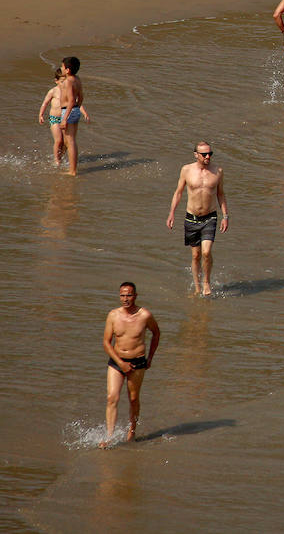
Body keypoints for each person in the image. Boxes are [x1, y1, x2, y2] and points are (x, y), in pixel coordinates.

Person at [165, 141, 229, 296]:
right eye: (204, 154)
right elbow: (178, 192)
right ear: (196, 155)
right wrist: (171, 213)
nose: (208, 157)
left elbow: (220, 194)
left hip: (210, 217)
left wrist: (225, 216)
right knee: (195, 255)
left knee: (206, 253)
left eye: (210, 154)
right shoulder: (186, 170)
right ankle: (197, 288)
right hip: (191, 218)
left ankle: (206, 282)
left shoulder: (217, 171)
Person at [102, 282, 160, 447]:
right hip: (117, 361)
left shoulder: (145, 315)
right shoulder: (113, 315)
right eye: (122, 295)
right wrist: (121, 363)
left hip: (137, 362)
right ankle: (110, 437)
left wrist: (150, 358)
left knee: (133, 399)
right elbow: (106, 343)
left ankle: (132, 432)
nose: (125, 299)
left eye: (129, 295)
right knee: (112, 397)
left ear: (135, 296)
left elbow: (156, 333)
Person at [38, 66, 88, 168]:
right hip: (54, 119)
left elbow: (75, 103)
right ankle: (56, 160)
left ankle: (60, 156)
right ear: (56, 81)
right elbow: (45, 103)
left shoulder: (68, 90)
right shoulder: (53, 91)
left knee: (66, 142)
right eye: (61, 81)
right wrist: (41, 114)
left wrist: (84, 112)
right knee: (59, 140)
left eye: (65, 81)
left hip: (65, 118)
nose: (64, 83)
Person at [56, 56, 88, 176]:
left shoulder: (68, 81)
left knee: (70, 141)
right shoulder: (77, 79)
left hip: (68, 111)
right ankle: (69, 167)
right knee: (69, 140)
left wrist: (65, 118)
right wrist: (77, 107)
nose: (61, 68)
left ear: (67, 69)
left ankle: (72, 170)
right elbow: (81, 96)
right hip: (74, 110)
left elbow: (70, 101)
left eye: (62, 67)